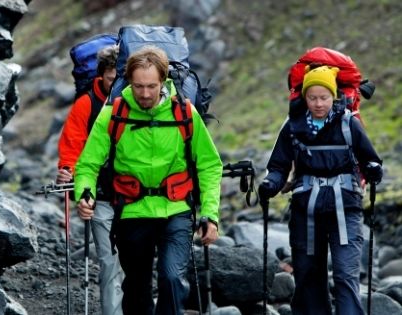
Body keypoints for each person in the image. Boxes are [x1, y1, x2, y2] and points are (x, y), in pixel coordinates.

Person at [73, 45, 222, 315]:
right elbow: (88, 164)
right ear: (128, 81)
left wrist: (210, 214)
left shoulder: (185, 113)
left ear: (163, 81)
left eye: (151, 86)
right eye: (138, 86)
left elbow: (210, 165)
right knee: (136, 287)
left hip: (176, 209)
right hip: (132, 210)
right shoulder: (113, 114)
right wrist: (85, 194)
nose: (144, 94)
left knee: (173, 279)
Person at [258, 65, 383, 315]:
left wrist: (373, 169)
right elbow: (279, 165)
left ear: (334, 96)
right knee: (308, 276)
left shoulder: (348, 124)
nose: (318, 103)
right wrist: (270, 183)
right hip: (306, 211)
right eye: (312, 97)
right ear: (304, 97)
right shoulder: (293, 126)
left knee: (346, 275)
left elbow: (370, 158)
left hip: (345, 209)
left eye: (324, 97)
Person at [56, 45, 123, 315]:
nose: (116, 84)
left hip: (140, 199)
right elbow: (72, 146)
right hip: (101, 198)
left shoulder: (138, 101)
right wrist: (68, 170)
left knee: (136, 267)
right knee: (109, 263)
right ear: (100, 75)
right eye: (110, 78)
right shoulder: (86, 104)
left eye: (121, 78)